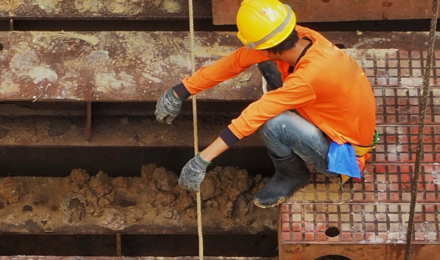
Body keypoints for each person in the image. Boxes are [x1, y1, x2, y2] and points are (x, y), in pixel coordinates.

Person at [154, 0, 377, 208]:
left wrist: (202, 160)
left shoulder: (309, 78)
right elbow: (237, 61)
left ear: (266, 47)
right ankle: (291, 122)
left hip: (344, 153)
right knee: (269, 64)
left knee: (274, 123)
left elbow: (255, 114)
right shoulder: (301, 36)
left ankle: (293, 175)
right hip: (334, 117)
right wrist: (180, 91)